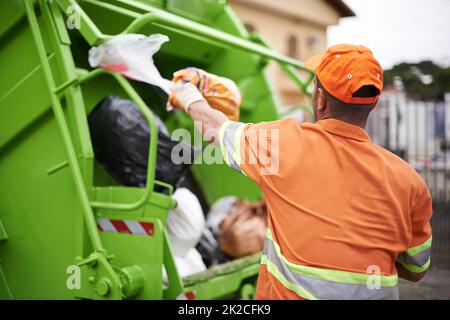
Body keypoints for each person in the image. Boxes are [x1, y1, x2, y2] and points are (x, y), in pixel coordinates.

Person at [168, 44, 433, 300]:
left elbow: (216, 127)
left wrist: (189, 95)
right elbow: (416, 269)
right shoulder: (409, 182)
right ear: (373, 103)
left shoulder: (281, 144)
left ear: (319, 98)